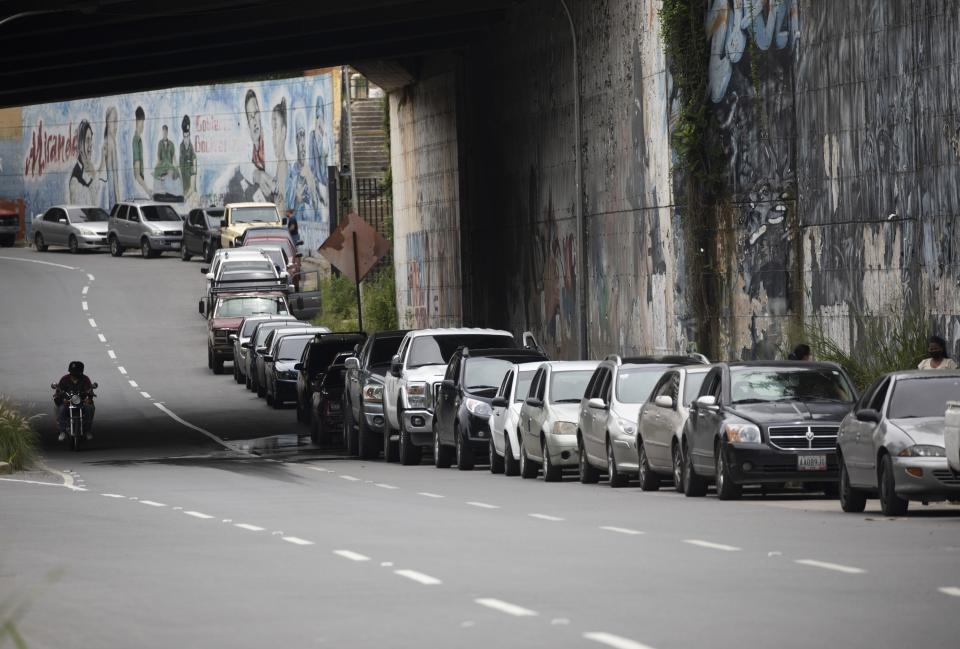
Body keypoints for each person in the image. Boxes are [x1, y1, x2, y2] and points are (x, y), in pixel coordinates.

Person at [55, 361, 96, 441]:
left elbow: (90, 391)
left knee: (90, 408)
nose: (74, 375)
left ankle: (87, 431)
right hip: (67, 402)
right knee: (61, 409)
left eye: (76, 373)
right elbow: (58, 392)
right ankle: (62, 431)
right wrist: (63, 399)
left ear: (81, 372)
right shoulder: (64, 379)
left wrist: (89, 399)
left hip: (82, 402)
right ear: (69, 371)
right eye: (72, 372)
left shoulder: (85, 379)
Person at [68, 120, 100, 205]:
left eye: (91, 140)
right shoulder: (75, 181)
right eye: (87, 140)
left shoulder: (90, 171)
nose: (90, 144)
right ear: (80, 144)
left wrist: (94, 176)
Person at [132, 106, 152, 197]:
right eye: (141, 122)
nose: (143, 126)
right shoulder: (136, 141)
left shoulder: (139, 140)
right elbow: (137, 175)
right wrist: (148, 192)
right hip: (139, 186)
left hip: (141, 185)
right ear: (137, 122)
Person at [179, 115, 197, 201]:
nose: (186, 140)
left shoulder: (193, 157)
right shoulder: (181, 149)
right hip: (183, 194)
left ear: (190, 135)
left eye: (187, 136)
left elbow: (192, 187)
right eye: (184, 136)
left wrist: (184, 198)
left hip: (191, 197)